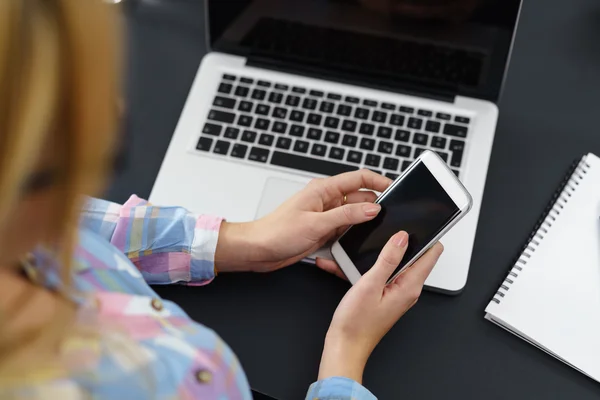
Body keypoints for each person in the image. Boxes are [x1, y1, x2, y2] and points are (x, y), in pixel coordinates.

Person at [0, 0, 443, 399]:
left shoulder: (27, 229)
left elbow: (85, 229)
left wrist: (242, 242)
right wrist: (347, 352)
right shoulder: (152, 383)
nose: (115, 106)